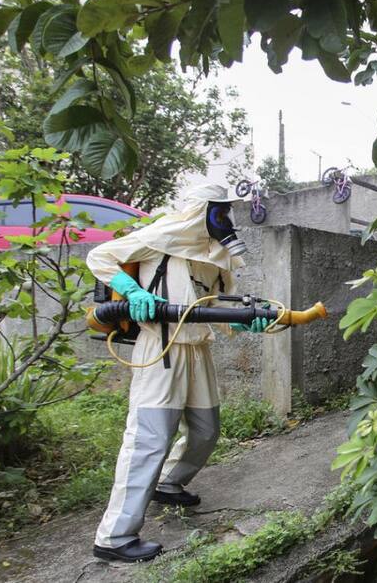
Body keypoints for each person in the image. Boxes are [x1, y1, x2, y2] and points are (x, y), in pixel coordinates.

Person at [88, 184, 269, 563]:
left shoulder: (214, 257)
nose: (224, 220)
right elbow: (101, 256)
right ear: (200, 210)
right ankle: (114, 536)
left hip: (197, 348)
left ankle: (169, 483)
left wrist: (245, 323)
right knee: (149, 439)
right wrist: (131, 291)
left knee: (206, 430)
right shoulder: (161, 236)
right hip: (161, 346)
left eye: (226, 213)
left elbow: (216, 305)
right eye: (218, 211)